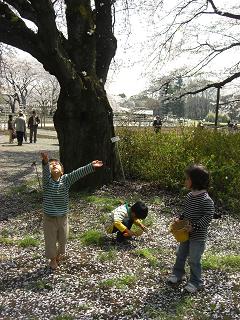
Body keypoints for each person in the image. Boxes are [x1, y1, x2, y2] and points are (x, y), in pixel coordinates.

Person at [41, 152, 103, 269]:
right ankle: (53, 259)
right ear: (48, 171)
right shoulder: (47, 183)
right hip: (49, 219)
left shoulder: (66, 180)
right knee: (50, 241)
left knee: (63, 240)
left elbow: (77, 173)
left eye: (57, 164)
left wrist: (90, 166)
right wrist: (45, 161)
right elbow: (45, 172)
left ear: (62, 171)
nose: (54, 165)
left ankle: (58, 254)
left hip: (63, 217)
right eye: (51, 165)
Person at [167, 164, 215, 293]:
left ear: (196, 181)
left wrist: (194, 227)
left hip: (198, 236)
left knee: (194, 259)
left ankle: (196, 281)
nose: (185, 181)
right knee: (180, 254)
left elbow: (208, 216)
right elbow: (186, 212)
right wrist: (180, 218)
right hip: (184, 233)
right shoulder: (189, 196)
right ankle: (178, 274)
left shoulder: (206, 200)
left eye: (187, 178)